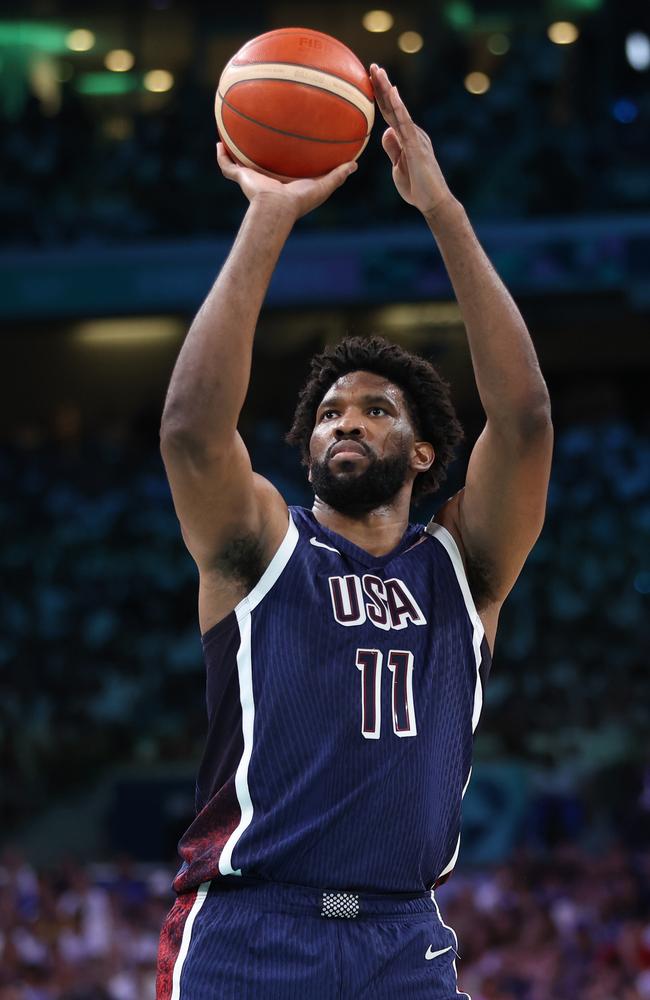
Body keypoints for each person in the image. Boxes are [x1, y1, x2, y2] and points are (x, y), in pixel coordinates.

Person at [156, 64, 553, 1000]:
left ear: (422, 454)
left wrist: (442, 208)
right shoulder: (260, 546)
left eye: (377, 411)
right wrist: (270, 212)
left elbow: (526, 418)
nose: (346, 422)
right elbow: (187, 430)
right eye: (331, 412)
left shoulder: (468, 565)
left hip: (403, 933)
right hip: (251, 926)